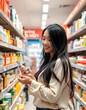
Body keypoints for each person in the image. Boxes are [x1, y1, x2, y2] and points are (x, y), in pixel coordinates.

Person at [18, 24, 74, 110]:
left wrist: (31, 82)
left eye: (50, 40)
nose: (45, 42)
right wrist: (31, 77)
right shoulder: (49, 60)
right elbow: (45, 85)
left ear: (58, 41)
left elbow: (52, 95)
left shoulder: (60, 62)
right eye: (43, 38)